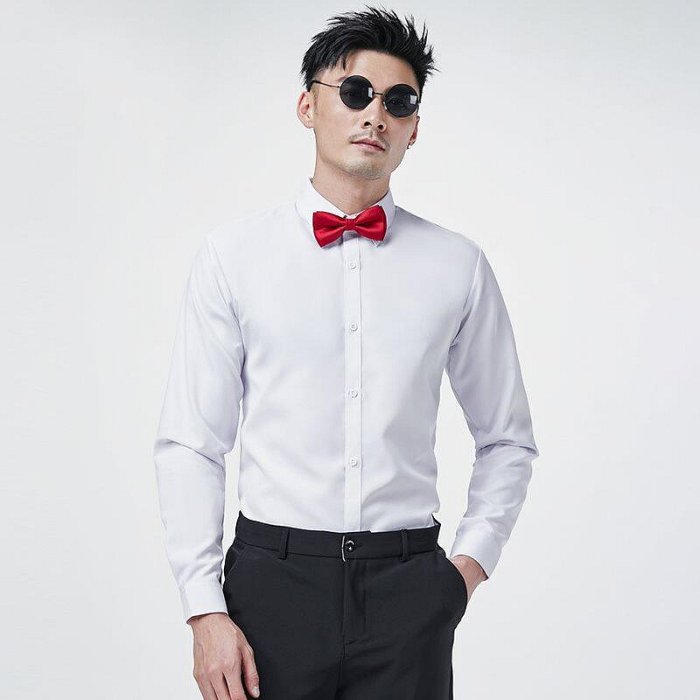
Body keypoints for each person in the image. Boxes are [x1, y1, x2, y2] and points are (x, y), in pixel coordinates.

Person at [153, 6, 539, 699]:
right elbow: (192, 444)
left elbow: (507, 438)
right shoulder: (233, 257)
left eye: (399, 101)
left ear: (415, 128)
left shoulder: (458, 265)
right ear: (308, 106)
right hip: (272, 585)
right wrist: (204, 609)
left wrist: (463, 573)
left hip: (409, 589)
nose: (375, 116)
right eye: (355, 92)